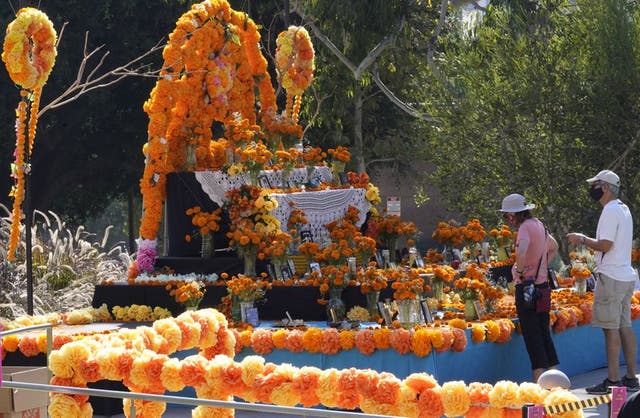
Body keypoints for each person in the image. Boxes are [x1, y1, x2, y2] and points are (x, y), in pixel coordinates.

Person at [567, 169, 639, 394]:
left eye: (596, 185)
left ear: (605, 187)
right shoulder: (624, 209)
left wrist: (581, 239)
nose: (593, 189)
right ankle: (630, 377)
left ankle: (613, 380)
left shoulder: (609, 211)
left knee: (610, 329)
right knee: (624, 326)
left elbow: (605, 245)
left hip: (611, 276)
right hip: (626, 276)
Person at [499, 193, 560, 382]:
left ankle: (539, 385)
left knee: (533, 339)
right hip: (542, 287)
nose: (509, 220)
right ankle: (556, 383)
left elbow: (522, 250)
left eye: (509, 216)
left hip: (526, 289)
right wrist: (541, 266)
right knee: (544, 335)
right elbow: (554, 246)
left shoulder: (525, 228)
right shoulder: (540, 225)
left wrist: (519, 269)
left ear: (517, 214)